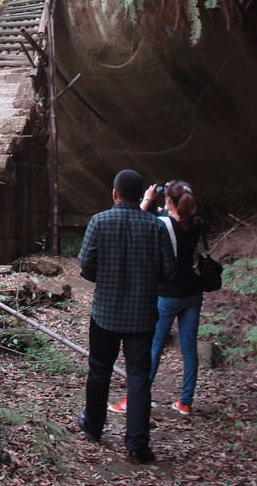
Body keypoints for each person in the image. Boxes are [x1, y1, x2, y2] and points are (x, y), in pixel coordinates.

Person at [77, 169, 176, 465]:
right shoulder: (156, 227)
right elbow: (169, 270)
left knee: (99, 370)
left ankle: (94, 426)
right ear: (141, 195)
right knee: (138, 379)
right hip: (142, 315)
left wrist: (102, 278)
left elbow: (86, 263)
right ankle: (137, 445)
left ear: (115, 193)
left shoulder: (99, 221)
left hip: (105, 312)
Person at [108, 180, 205, 418]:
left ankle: (134, 400)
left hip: (168, 293)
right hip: (193, 292)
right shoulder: (197, 223)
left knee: (152, 348)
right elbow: (184, 232)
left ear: (168, 199)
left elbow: (134, 220)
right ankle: (185, 402)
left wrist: (148, 198)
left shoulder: (161, 223)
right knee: (189, 348)